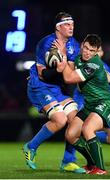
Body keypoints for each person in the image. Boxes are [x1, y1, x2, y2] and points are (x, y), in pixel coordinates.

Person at [23, 11, 85, 173]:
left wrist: (63, 62)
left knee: (76, 120)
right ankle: (30, 147)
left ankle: (68, 161)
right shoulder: (46, 43)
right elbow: (43, 73)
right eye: (67, 24)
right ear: (58, 27)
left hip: (57, 87)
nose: (71, 27)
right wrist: (59, 68)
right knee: (60, 120)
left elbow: (69, 73)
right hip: (40, 86)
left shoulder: (74, 45)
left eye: (72, 24)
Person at [56, 34, 110, 175]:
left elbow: (69, 77)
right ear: (82, 45)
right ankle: (91, 164)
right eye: (86, 48)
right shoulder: (78, 58)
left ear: (96, 52)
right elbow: (69, 67)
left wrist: (63, 56)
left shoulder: (93, 64)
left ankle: (100, 169)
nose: (87, 52)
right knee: (70, 135)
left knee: (88, 128)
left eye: (91, 50)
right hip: (90, 105)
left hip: (105, 103)